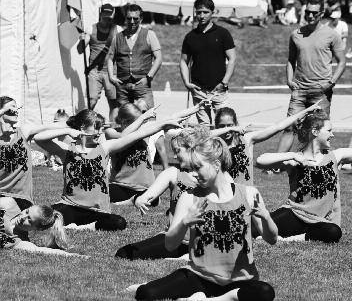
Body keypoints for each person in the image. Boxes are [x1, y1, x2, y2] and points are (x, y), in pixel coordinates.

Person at [135, 137, 278, 301]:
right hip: (200, 278)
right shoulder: (189, 197)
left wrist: (266, 217)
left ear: (216, 165)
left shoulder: (248, 193)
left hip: (240, 281)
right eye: (192, 168)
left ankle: (213, 299)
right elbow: (170, 244)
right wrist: (184, 223)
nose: (193, 174)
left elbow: (272, 238)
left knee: (265, 292)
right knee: (146, 294)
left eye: (198, 168)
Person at [34, 109, 182, 231]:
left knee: (118, 223)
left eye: (101, 128)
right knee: (42, 217)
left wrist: (163, 124)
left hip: (97, 212)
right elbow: (39, 138)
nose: (100, 132)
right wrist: (67, 130)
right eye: (96, 128)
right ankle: (76, 225)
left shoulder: (104, 148)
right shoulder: (68, 151)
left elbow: (139, 134)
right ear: (81, 128)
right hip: (70, 205)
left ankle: (80, 228)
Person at [115, 126, 210, 260]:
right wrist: (140, 200)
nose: (175, 156)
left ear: (192, 148)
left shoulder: (212, 174)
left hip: (207, 241)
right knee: (124, 253)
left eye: (177, 151)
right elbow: (150, 193)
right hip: (177, 240)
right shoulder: (173, 173)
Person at [257, 109, 352, 243]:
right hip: (295, 214)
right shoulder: (295, 160)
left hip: (321, 221)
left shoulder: (336, 157)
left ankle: (285, 240)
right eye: (329, 130)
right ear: (315, 131)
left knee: (333, 232)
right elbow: (260, 160)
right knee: (253, 228)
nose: (333, 134)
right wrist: (293, 156)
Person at [276, 0, 346, 154]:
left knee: (321, 130)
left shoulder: (332, 35)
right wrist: (289, 80)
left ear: (321, 13)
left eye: (314, 12)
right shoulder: (296, 34)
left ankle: (322, 165)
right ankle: (275, 165)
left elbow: (342, 62)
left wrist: (331, 82)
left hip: (321, 91)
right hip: (299, 90)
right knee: (289, 127)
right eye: (307, 12)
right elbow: (290, 60)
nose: (310, 15)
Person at [212, 102, 322, 184]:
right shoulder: (213, 145)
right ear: (216, 127)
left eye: (230, 125)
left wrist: (305, 111)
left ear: (236, 123)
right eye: (222, 126)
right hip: (224, 196)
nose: (227, 129)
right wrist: (227, 129)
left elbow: (278, 126)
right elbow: (203, 134)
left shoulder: (247, 139)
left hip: (245, 197)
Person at [0, 96, 69, 212]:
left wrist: (74, 125)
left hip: (20, 198)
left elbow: (52, 126)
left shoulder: (23, 132)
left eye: (17, 107)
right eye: (12, 107)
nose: (16, 110)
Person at [180, 0, 236, 125]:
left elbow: (232, 59)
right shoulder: (190, 37)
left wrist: (224, 82)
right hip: (198, 90)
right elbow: (183, 61)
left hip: (219, 90)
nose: (201, 16)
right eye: (198, 12)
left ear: (213, 12)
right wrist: (187, 83)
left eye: (205, 12)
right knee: (204, 129)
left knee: (224, 126)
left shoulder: (223, 33)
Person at [107, 4, 162, 109]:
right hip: (122, 86)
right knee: (125, 120)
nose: (132, 21)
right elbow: (110, 58)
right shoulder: (117, 37)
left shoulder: (149, 34)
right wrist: (111, 76)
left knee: (147, 117)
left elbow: (158, 58)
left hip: (142, 85)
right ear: (125, 19)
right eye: (129, 18)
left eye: (135, 18)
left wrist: (149, 77)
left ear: (141, 19)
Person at [78, 4, 123, 121]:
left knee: (113, 103)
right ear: (100, 13)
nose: (107, 17)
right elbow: (80, 50)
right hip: (94, 71)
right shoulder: (91, 29)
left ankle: (112, 129)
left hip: (111, 71)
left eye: (109, 14)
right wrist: (81, 40)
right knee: (91, 101)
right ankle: (88, 125)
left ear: (112, 14)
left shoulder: (118, 30)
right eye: (105, 14)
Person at [0, 198, 79, 255]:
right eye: (27, 211)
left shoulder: (19, 240)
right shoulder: (9, 206)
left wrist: (71, 255)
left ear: (37, 228)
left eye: (29, 220)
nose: (23, 218)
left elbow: (39, 250)